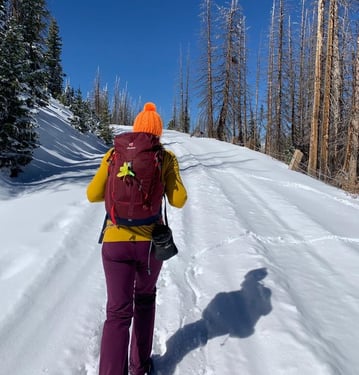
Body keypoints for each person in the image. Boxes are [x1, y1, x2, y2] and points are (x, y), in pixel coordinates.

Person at [87, 102, 187, 375]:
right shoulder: (165, 157)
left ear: (135, 128)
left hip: (114, 242)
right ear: (158, 132)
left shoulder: (112, 155)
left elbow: (93, 195)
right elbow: (178, 200)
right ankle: (139, 366)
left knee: (117, 313)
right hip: (150, 246)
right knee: (144, 300)